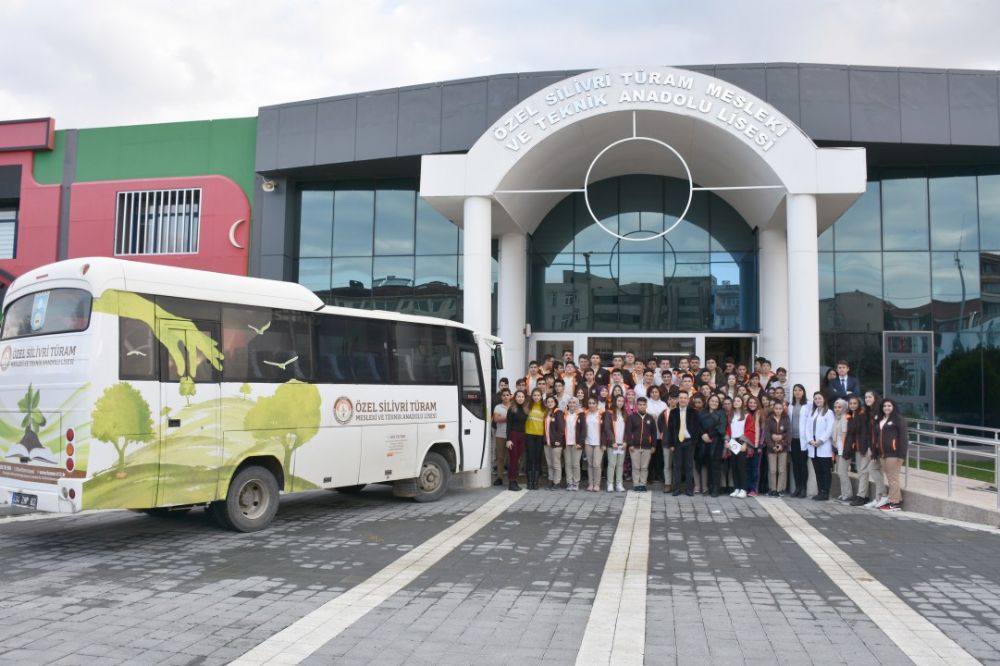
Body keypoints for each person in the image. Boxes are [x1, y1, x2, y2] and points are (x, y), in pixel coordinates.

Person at [667, 390, 703, 496]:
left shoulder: (693, 412)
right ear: (678, 400)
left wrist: (694, 442)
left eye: (685, 398)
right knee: (677, 466)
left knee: (689, 466)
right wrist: (671, 444)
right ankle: (677, 489)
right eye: (681, 398)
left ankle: (689, 489)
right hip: (677, 443)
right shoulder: (673, 412)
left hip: (689, 442)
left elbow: (697, 429)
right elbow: (670, 429)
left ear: (688, 400)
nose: (682, 400)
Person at [876, 398, 907, 511]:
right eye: (884, 406)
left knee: (893, 479)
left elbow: (903, 438)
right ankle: (892, 500)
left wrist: (901, 455)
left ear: (893, 407)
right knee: (889, 478)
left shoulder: (898, 419)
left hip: (894, 454)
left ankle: (895, 503)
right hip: (883, 454)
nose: (886, 408)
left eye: (889, 405)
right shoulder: (882, 419)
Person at [803, 391, 835, 501]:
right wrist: (810, 440)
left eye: (819, 398)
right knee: (817, 471)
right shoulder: (813, 412)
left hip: (823, 446)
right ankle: (820, 490)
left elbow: (829, 429)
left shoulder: (829, 412)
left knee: (825, 471)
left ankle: (825, 492)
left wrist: (820, 441)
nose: (817, 400)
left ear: (824, 399)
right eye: (815, 398)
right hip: (813, 446)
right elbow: (807, 428)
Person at [859, 390, 889, 508]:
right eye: (866, 397)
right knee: (876, 470)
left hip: (878, 446)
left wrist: (876, 446)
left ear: (875, 398)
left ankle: (883, 495)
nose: (867, 399)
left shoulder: (879, 411)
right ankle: (878, 498)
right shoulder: (868, 412)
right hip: (871, 445)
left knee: (872, 469)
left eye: (870, 397)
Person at [626, 396, 658, 491]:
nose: (642, 406)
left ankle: (643, 484)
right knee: (636, 467)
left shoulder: (650, 418)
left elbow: (654, 433)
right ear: (637, 406)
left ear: (646, 406)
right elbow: (628, 432)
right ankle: (636, 484)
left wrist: (653, 445)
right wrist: (630, 444)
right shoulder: (631, 417)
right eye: (640, 404)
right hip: (634, 447)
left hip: (647, 447)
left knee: (644, 467)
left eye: (644, 405)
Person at [845, 395, 872, 506]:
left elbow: (864, 432)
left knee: (863, 472)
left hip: (863, 448)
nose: (852, 405)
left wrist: (864, 448)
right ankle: (863, 495)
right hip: (857, 448)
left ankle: (861, 496)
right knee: (862, 472)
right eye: (850, 403)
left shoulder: (862, 415)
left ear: (859, 404)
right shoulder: (852, 415)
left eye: (855, 403)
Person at [699, 393, 727, 497]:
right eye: (712, 401)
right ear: (708, 401)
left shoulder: (721, 413)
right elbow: (698, 425)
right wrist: (703, 435)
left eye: (716, 401)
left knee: (716, 466)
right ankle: (709, 487)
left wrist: (709, 435)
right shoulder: (702, 412)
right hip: (704, 442)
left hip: (716, 442)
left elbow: (721, 428)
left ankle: (716, 488)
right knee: (708, 465)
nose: (714, 403)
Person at [763, 400, 791, 497]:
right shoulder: (769, 419)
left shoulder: (786, 419)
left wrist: (782, 443)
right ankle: (772, 489)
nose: (778, 410)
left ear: (783, 409)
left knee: (782, 469)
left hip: (783, 448)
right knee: (772, 469)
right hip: (771, 449)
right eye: (776, 408)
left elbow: (788, 433)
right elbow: (767, 434)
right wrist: (772, 445)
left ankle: (780, 489)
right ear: (773, 409)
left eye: (780, 409)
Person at [788, 384, 809, 498]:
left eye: (799, 390)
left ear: (803, 392)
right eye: (795, 390)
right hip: (793, 439)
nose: (797, 392)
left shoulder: (808, 405)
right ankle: (797, 487)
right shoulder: (790, 405)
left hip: (803, 440)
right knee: (795, 465)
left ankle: (804, 488)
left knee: (802, 465)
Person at [505, 390, 528, 491]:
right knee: (513, 460)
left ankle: (514, 481)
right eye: (518, 396)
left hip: (522, 436)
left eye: (522, 397)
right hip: (513, 436)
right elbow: (508, 425)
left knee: (517, 460)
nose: (520, 398)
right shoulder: (511, 409)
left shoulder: (525, 409)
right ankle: (511, 482)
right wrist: (508, 440)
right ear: (515, 398)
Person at [727, 396, 750, 498]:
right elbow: (727, 429)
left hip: (742, 441)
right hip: (732, 441)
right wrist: (726, 441)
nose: (736, 402)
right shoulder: (730, 415)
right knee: (734, 465)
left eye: (738, 401)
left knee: (742, 466)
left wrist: (745, 443)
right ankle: (736, 488)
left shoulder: (747, 415)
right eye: (734, 401)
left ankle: (743, 489)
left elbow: (750, 430)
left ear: (742, 402)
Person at [605, 394, 628, 492]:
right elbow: (607, 429)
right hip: (613, 444)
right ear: (615, 401)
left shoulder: (625, 414)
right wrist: (612, 441)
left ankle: (619, 483)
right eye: (619, 401)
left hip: (622, 444)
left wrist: (625, 442)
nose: (620, 403)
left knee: (620, 464)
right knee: (612, 464)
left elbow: (627, 430)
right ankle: (610, 483)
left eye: (622, 401)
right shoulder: (609, 413)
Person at [524, 389, 546, 490]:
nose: (536, 397)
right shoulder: (528, 407)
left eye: (538, 395)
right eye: (534, 395)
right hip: (529, 435)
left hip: (540, 436)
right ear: (532, 396)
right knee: (530, 458)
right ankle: (529, 482)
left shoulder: (544, 408)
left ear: (541, 396)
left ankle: (536, 482)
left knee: (537, 459)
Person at [543, 395, 566, 490]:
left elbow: (561, 429)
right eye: (548, 402)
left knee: (556, 463)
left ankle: (557, 482)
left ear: (555, 402)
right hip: (547, 443)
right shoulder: (547, 413)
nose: (550, 403)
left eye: (551, 401)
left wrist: (558, 440)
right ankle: (551, 480)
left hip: (556, 443)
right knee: (549, 463)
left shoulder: (558, 412)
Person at [563, 397, 586, 491]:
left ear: (577, 404)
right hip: (566, 442)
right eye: (570, 402)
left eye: (574, 403)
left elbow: (584, 430)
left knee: (575, 464)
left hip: (576, 443)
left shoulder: (581, 415)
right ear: (568, 404)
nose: (572, 404)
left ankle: (576, 482)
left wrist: (580, 442)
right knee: (568, 463)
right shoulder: (564, 414)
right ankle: (569, 482)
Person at [832, 398, 852, 501]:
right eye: (835, 407)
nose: (837, 409)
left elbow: (844, 434)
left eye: (839, 407)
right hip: (839, 450)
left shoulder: (845, 418)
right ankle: (843, 493)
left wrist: (844, 450)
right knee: (840, 472)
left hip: (844, 450)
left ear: (844, 408)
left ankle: (848, 494)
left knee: (842, 472)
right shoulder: (837, 418)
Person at [584, 397, 606, 492]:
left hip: (598, 442)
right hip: (588, 441)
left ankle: (597, 484)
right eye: (590, 403)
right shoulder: (585, 414)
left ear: (597, 404)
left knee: (596, 464)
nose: (591, 405)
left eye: (593, 403)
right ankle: (590, 483)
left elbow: (605, 429)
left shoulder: (602, 414)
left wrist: (604, 443)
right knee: (590, 464)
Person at [492, 389, 511, 486]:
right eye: (504, 395)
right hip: (500, 435)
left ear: (510, 396)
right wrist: (509, 418)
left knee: (512, 458)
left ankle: (512, 478)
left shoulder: (514, 406)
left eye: (507, 395)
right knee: (500, 457)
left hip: (512, 436)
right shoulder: (497, 407)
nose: (505, 397)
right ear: (501, 397)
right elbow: (496, 419)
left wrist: (502, 418)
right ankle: (500, 477)